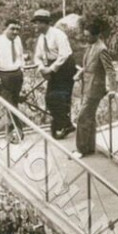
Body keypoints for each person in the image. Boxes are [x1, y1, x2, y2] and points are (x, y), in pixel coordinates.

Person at [31, 8, 76, 142]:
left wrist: (50, 69)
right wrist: (42, 68)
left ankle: (63, 126)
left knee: (60, 97)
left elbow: (64, 55)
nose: (35, 26)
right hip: (53, 67)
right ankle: (65, 125)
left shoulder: (58, 35)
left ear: (45, 23)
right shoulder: (41, 38)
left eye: (37, 23)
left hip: (65, 67)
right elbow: (37, 57)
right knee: (49, 99)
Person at [73, 16, 116, 157]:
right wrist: (80, 73)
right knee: (89, 118)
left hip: (95, 89)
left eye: (88, 36)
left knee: (83, 118)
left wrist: (113, 89)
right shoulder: (91, 46)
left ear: (96, 35)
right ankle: (89, 147)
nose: (86, 39)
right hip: (87, 86)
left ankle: (81, 150)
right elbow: (88, 66)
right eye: (85, 36)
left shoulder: (101, 49)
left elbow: (110, 70)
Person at [0, 22, 26, 133]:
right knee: (9, 105)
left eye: (17, 29)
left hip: (16, 75)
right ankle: (18, 130)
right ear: (5, 28)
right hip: (3, 76)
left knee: (14, 103)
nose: (15, 32)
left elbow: (21, 56)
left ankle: (12, 131)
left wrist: (21, 69)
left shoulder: (17, 40)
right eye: (12, 29)